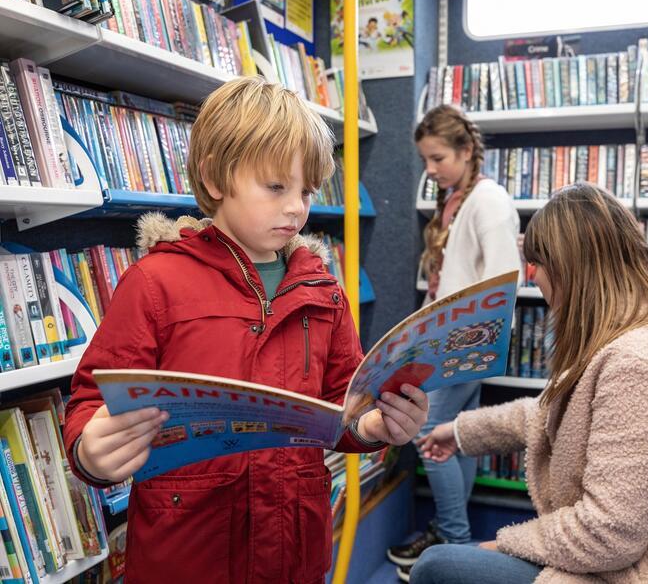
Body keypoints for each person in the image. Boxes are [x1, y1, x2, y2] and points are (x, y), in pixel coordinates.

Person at [63, 76, 429, 584]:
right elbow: (88, 399)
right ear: (216, 179)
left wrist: (375, 427)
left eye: (305, 190)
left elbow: (342, 404)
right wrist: (91, 450)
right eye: (276, 187)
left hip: (294, 550)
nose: (296, 207)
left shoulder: (322, 287)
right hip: (190, 554)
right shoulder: (155, 282)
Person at [411, 183, 648, 584]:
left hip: (645, 571)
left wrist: (509, 542)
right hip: (626, 559)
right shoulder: (629, 333)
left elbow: (610, 534)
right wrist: (462, 432)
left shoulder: (637, 363)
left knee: (436, 567)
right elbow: (556, 415)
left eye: (536, 264)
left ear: (570, 268)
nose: (532, 277)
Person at [387, 105, 520, 579]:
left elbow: (503, 278)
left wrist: (466, 344)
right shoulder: (458, 198)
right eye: (425, 159)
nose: (431, 169)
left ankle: (456, 543)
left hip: (462, 344)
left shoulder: (488, 200)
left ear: (466, 151)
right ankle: (453, 540)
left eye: (438, 157)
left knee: (429, 438)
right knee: (456, 440)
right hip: (450, 341)